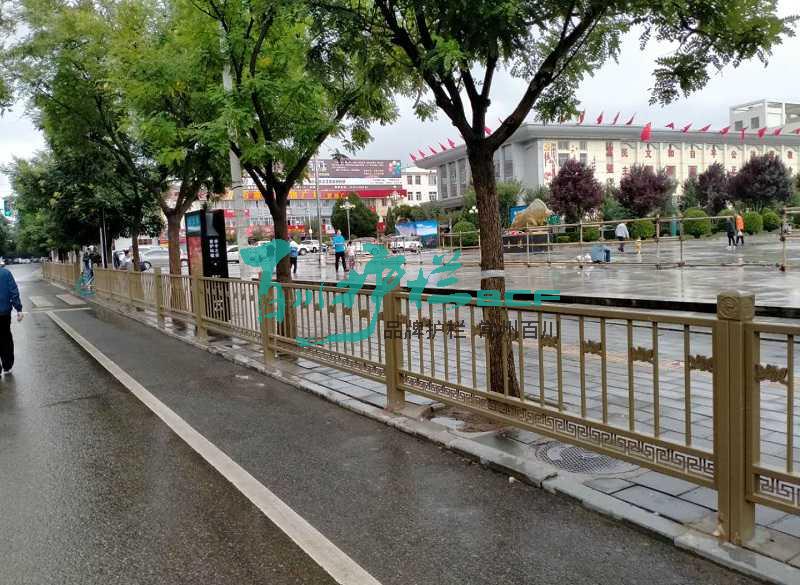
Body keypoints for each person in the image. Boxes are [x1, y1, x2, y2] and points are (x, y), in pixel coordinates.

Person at [0, 263, 23, 373]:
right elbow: (13, 291)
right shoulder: (6, 273)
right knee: (5, 337)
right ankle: (7, 365)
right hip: (4, 312)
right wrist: (18, 309)